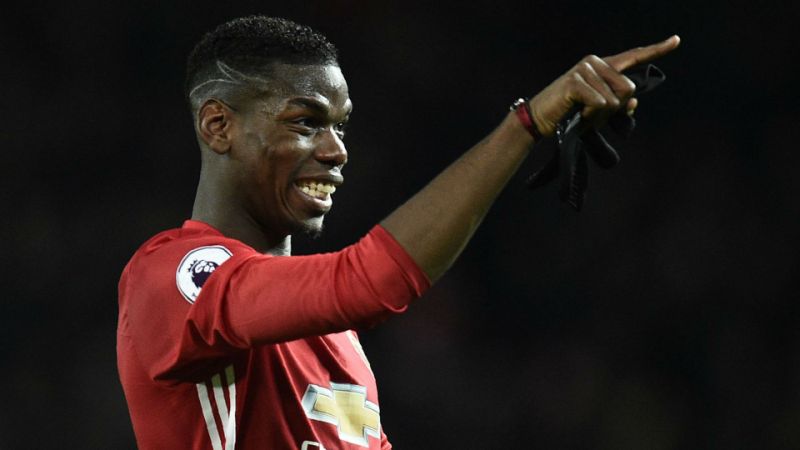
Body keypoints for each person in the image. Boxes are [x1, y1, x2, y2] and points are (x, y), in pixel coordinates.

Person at [117, 15, 679, 450]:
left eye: (340, 126)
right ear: (218, 125)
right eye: (306, 122)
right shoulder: (172, 276)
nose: (337, 150)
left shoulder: (337, 341)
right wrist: (525, 126)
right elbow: (368, 282)